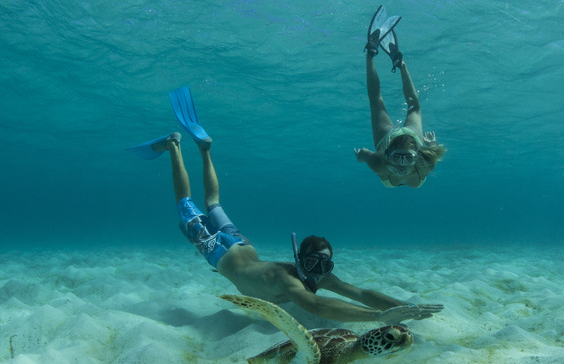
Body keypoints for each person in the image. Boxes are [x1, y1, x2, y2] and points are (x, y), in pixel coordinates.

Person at [144, 130, 443, 324]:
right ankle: (174, 146)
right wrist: (380, 317)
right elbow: (318, 307)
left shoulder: (319, 275)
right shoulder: (286, 280)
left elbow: (361, 293)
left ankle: (205, 150)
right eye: (313, 263)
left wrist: (405, 307)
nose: (319, 271)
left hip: (241, 248)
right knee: (187, 203)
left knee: (212, 202)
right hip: (221, 253)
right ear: (299, 260)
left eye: (325, 265)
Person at [354, 6, 446, 188]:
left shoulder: (379, 162)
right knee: (411, 106)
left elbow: (365, 152)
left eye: (405, 158)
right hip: (411, 138)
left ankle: (371, 53)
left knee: (378, 103)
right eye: (398, 158)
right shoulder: (425, 165)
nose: (401, 165)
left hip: (392, 138)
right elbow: (433, 150)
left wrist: (361, 156)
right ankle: (400, 63)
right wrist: (430, 143)